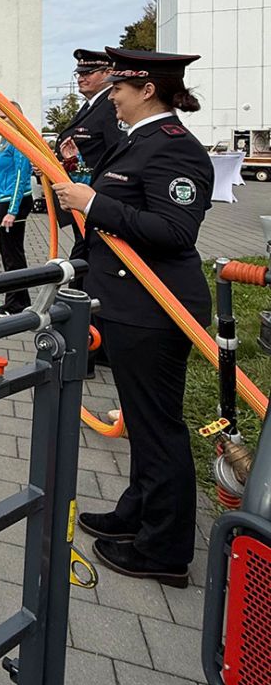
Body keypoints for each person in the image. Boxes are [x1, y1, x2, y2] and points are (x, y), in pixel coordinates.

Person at [53, 47, 214, 587]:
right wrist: (80, 180)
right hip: (130, 306)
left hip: (156, 309)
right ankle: (137, 513)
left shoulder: (175, 150)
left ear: (147, 90)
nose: (111, 96)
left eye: (119, 87)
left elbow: (174, 231)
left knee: (159, 429)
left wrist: (92, 202)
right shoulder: (136, 142)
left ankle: (165, 550)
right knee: (144, 424)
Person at [53, 49, 123, 230]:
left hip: (96, 200)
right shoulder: (90, 107)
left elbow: (116, 155)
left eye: (87, 73)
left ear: (108, 73)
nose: (80, 78)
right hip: (82, 200)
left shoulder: (111, 107)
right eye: (79, 74)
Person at [0, 103, 34, 316]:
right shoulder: (4, 140)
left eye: (5, 117)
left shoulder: (19, 141)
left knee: (12, 254)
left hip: (13, 202)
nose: (1, 121)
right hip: (3, 200)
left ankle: (16, 304)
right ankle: (18, 299)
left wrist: (12, 210)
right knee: (8, 252)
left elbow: (20, 177)